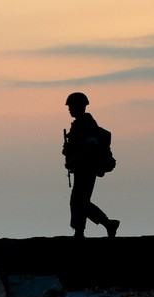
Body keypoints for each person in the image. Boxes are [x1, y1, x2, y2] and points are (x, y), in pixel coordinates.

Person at [62, 92, 120, 238]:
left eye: (71, 106)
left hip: (87, 168)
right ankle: (81, 230)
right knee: (79, 201)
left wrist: (74, 159)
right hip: (82, 167)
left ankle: (105, 224)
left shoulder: (86, 124)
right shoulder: (80, 123)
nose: (69, 109)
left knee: (79, 201)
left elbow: (90, 147)